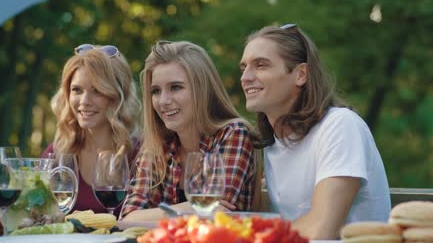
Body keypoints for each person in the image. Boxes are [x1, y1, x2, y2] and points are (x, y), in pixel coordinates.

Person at [239, 24, 391, 239]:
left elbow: (322, 229)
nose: (245, 77)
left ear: (301, 74)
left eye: (261, 65)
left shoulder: (340, 126)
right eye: (243, 68)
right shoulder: (273, 144)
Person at [121, 41, 256, 221]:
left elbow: (212, 214)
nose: (163, 101)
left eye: (175, 87)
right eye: (155, 91)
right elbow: (128, 217)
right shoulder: (157, 146)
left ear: (202, 89)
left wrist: (155, 214)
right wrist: (189, 207)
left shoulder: (233, 134)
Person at [42, 44, 141, 218]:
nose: (85, 101)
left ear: (117, 96)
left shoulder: (141, 155)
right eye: (77, 90)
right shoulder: (56, 154)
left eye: (97, 91)